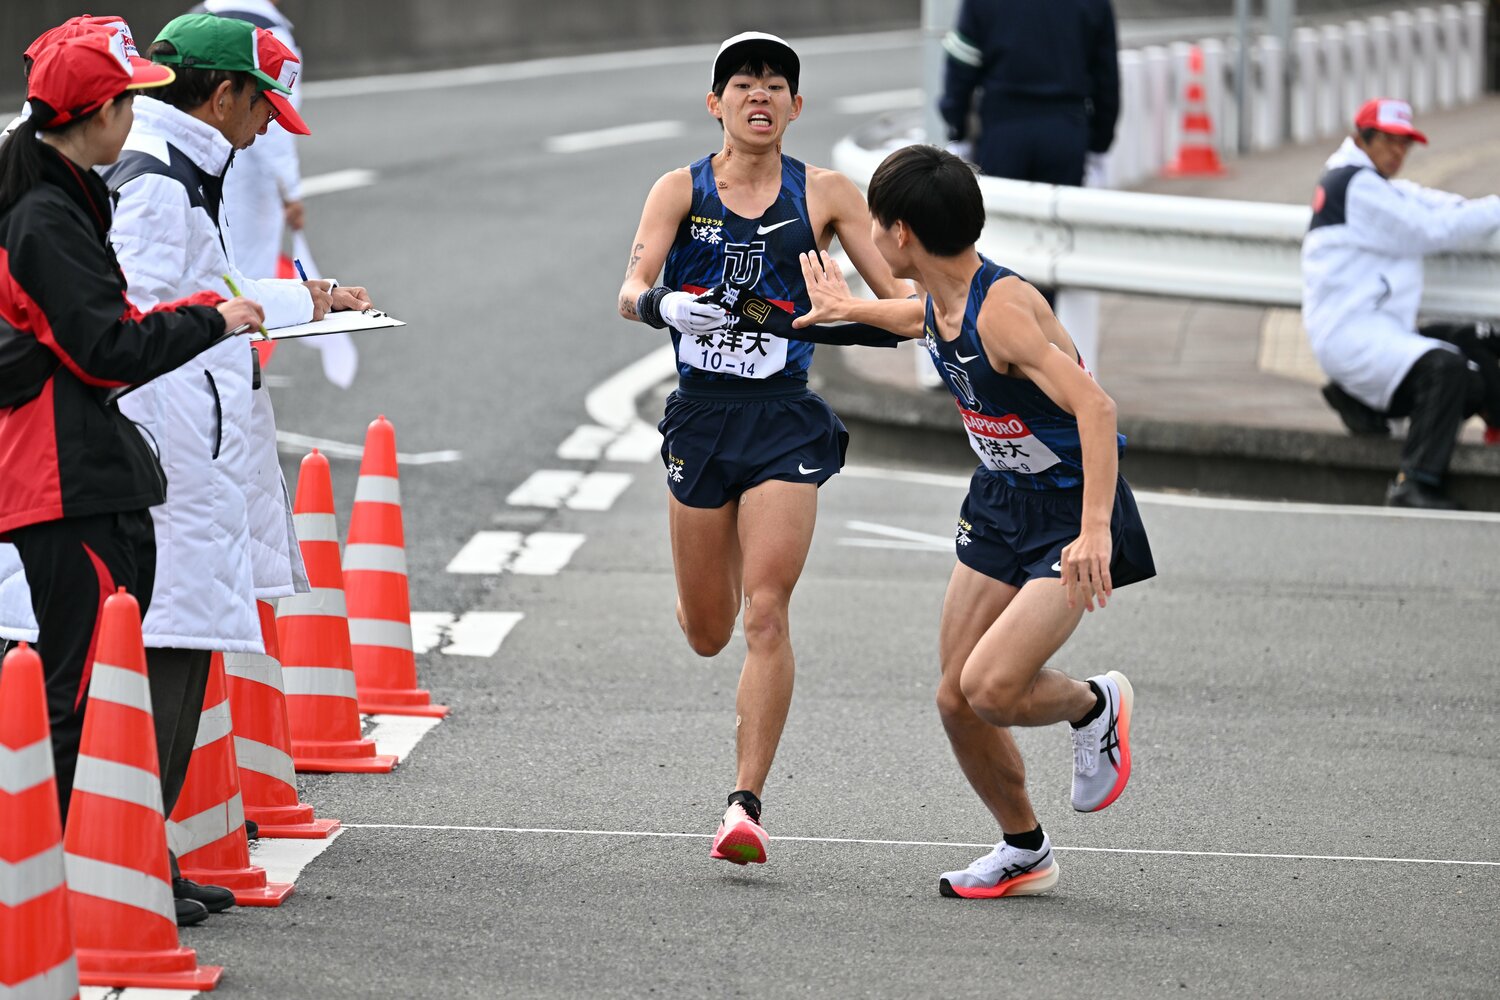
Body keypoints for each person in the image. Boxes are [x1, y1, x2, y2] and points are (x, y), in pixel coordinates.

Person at [755, 143, 1155, 898]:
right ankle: (1023, 850)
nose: (866, 234)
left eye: (874, 222)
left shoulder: (1002, 312)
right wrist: (847, 309)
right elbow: (920, 319)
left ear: (900, 233)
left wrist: (1095, 530)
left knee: (993, 689)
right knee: (954, 695)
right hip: (1000, 502)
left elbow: (1096, 409)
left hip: (1069, 511)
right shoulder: (943, 296)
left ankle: (1095, 703)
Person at [616, 31, 914, 866]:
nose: (760, 96)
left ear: (795, 106)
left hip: (784, 417)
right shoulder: (680, 190)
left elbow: (902, 310)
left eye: (776, 85)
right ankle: (706, 610)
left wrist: (842, 312)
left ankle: (744, 804)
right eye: (743, 84)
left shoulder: (825, 194)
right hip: (702, 421)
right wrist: (667, 306)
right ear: (715, 103)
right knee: (709, 630)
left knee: (768, 609)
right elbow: (629, 289)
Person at [0, 26, 264, 928]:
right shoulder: (44, 215)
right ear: (100, 112)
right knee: (80, 691)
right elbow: (107, 347)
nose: (139, 112)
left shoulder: (59, 196)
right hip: (60, 479)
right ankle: (70, 889)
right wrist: (208, 319)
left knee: (87, 680)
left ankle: (115, 866)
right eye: (129, 98)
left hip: (82, 471)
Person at [1302, 98, 1500, 509]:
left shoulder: (1374, 183)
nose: (1399, 153)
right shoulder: (1355, 186)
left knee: (1476, 344)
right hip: (1353, 333)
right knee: (1447, 368)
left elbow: (1442, 205)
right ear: (1361, 139)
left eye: (1405, 144)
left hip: (1378, 330)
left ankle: (1361, 403)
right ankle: (1415, 482)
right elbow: (1430, 229)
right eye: (1390, 142)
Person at [938, 0, 1119, 186]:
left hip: (1003, 129)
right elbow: (1106, 77)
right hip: (1066, 129)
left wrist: (958, 130)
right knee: (1059, 211)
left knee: (1001, 212)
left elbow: (961, 67)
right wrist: (1099, 144)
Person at [194, 0, 305, 280]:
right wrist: (290, 191)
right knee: (247, 273)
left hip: (192, 161)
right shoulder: (270, 37)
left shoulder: (193, 22)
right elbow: (275, 124)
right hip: (247, 178)